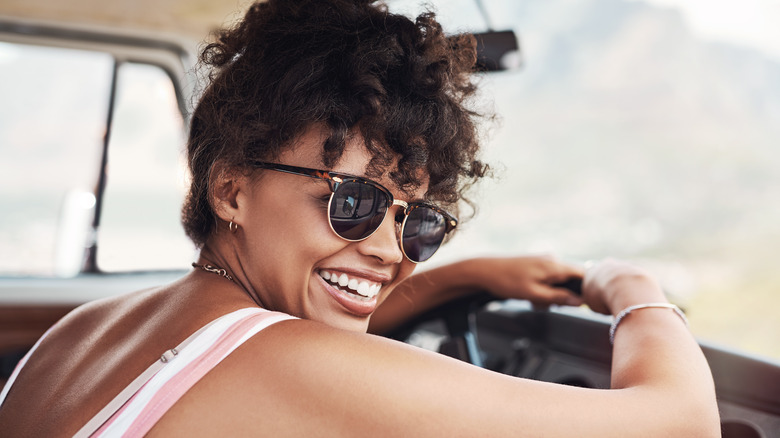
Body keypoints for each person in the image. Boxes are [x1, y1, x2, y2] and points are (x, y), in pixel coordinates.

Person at [0, 0, 719, 436]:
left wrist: (465, 277)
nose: (387, 250)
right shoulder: (278, 361)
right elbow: (681, 424)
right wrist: (630, 286)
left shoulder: (85, 333)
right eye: (353, 203)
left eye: (417, 224)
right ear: (230, 190)